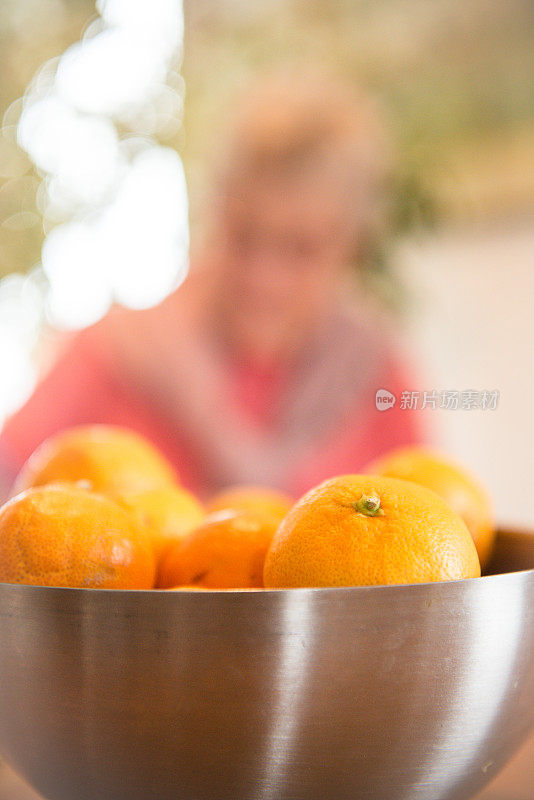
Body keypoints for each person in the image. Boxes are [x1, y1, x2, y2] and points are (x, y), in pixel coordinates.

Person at [0, 73, 426, 500]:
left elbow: (431, 529)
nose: (264, 277)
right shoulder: (113, 351)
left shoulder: (376, 374)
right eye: (243, 235)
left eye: (302, 249)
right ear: (213, 214)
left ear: (349, 246)